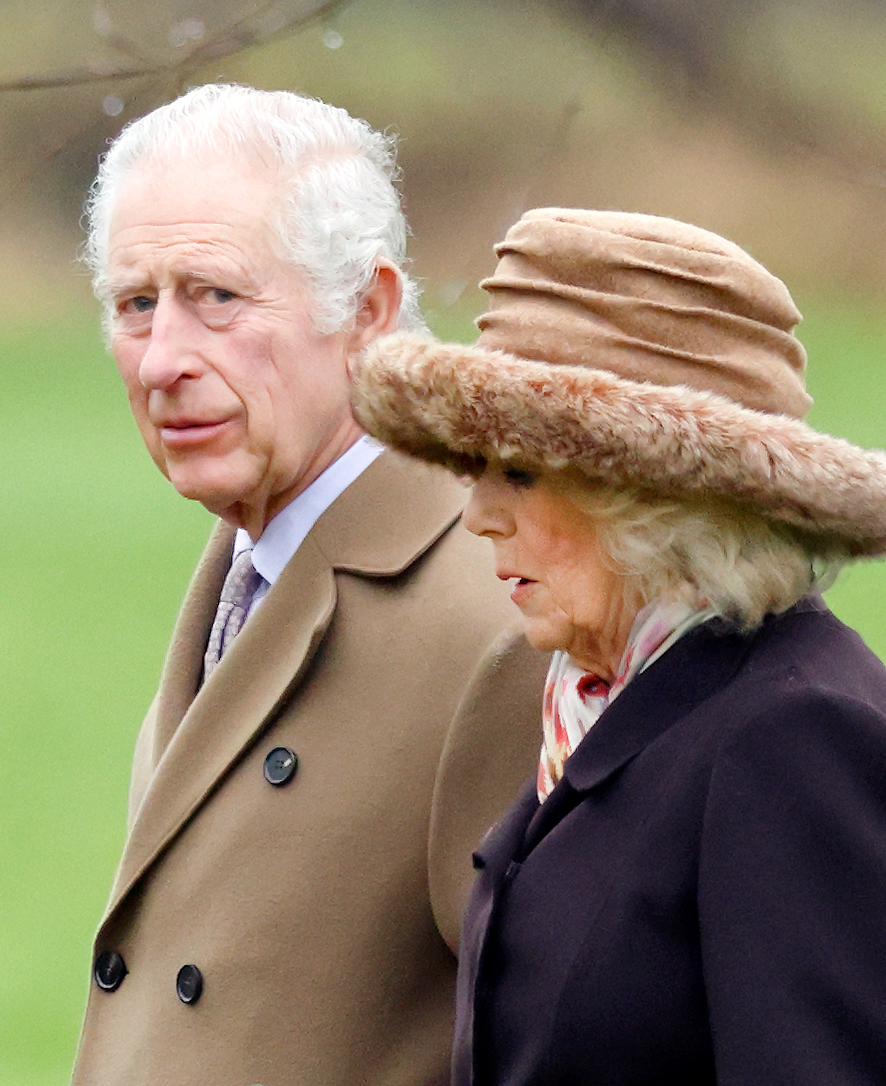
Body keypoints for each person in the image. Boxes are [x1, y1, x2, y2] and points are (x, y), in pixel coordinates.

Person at [351, 207, 886, 1086]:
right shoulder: (616, 700)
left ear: (651, 496)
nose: (478, 515)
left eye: (521, 471)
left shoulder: (798, 742)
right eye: (475, 469)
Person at [68, 85, 544, 1086]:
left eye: (217, 298)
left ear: (366, 311)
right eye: (135, 304)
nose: (162, 361)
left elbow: (551, 1043)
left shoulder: (493, 622)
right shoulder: (251, 557)